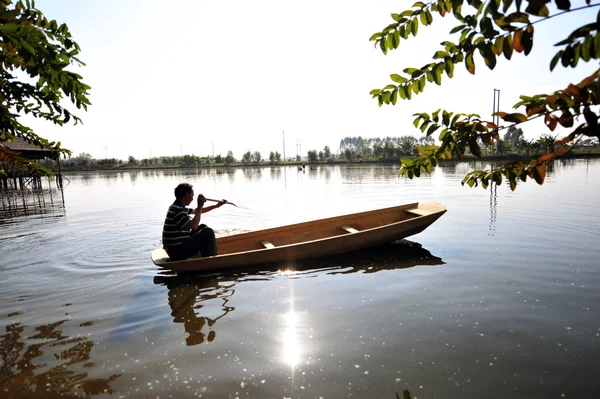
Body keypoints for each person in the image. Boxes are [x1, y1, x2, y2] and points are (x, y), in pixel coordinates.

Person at [162, 183, 226, 261]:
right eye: (192, 195)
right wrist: (200, 206)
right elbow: (194, 226)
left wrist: (217, 205)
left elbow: (198, 211)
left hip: (176, 249)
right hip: (176, 252)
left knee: (203, 227)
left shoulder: (177, 207)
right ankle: (212, 261)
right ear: (186, 195)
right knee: (208, 232)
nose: (192, 198)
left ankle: (204, 255)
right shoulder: (177, 209)